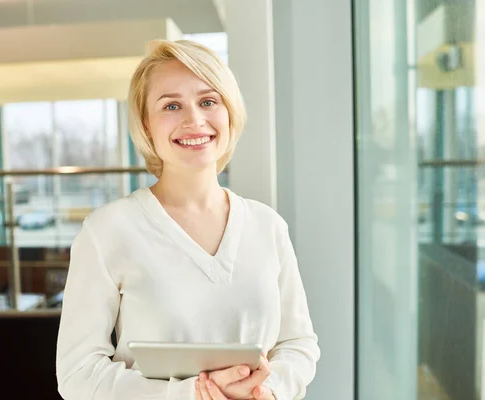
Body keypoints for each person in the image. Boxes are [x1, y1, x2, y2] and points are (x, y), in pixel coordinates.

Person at [56, 39, 320, 400]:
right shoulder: (107, 230)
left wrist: (268, 391)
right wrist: (192, 395)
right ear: (146, 126)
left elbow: (299, 343)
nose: (194, 120)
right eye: (171, 105)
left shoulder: (267, 226)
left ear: (230, 113)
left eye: (208, 101)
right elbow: (78, 374)